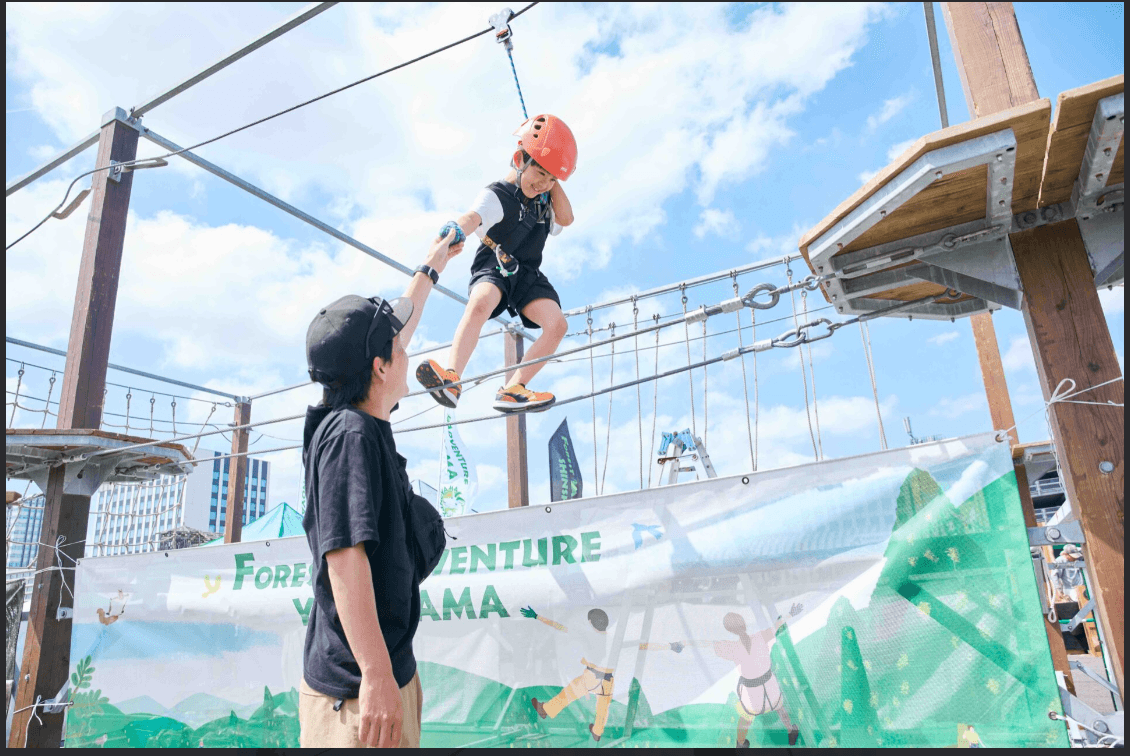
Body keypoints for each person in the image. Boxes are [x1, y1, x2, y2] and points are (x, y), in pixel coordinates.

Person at [298, 228, 463, 748]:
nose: (406, 348)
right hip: (356, 693)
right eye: (396, 345)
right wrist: (375, 676)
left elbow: (402, 321)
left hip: (383, 674)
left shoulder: (358, 414)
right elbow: (345, 559)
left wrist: (434, 262)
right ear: (378, 366)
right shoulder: (351, 436)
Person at [415, 114, 577, 413]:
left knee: (557, 325)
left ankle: (514, 388)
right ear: (519, 159)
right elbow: (472, 217)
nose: (543, 184)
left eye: (550, 179)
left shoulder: (546, 201)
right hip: (497, 263)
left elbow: (566, 219)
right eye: (539, 174)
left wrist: (551, 177)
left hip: (527, 273)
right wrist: (456, 228)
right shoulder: (496, 195)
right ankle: (452, 377)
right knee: (481, 302)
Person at [655, 606, 802, 748]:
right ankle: (790, 730)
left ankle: (741, 744)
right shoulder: (761, 637)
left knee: (745, 718)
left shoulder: (732, 648)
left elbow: (706, 644)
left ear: (730, 630)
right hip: (770, 686)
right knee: (779, 707)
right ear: (744, 623)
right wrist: (791, 613)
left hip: (752, 694)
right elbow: (777, 626)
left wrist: (683, 643)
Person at [524, 606, 614, 742]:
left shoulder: (586, 634)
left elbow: (559, 627)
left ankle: (547, 710)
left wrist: (537, 616)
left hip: (592, 676)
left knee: (569, 693)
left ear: (590, 622)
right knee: (603, 707)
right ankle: (597, 731)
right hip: (608, 679)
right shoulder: (612, 637)